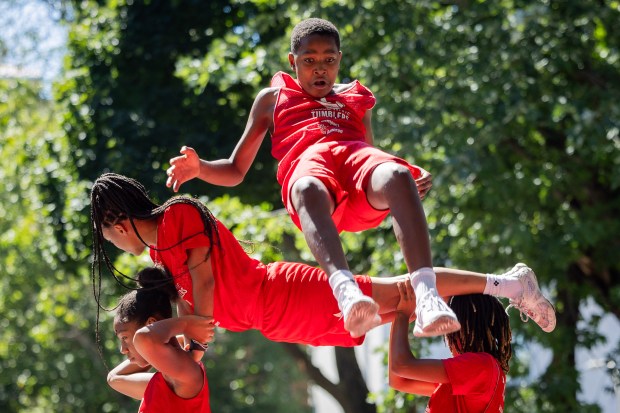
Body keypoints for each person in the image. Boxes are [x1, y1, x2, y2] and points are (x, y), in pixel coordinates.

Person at [165, 17, 456, 338]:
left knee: (397, 172)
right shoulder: (272, 99)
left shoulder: (356, 98)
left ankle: (427, 294)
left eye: (329, 60)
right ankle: (347, 293)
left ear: (340, 59)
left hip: (352, 172)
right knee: (306, 184)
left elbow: (367, 157)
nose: (320, 69)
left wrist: (400, 184)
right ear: (293, 62)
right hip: (312, 176)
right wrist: (200, 168)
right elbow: (236, 170)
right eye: (310, 61)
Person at [91, 173, 555, 349]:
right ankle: (510, 284)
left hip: (284, 294)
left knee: (402, 293)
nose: (114, 244)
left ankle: (512, 285)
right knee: (402, 301)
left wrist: (195, 342)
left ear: (117, 221)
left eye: (107, 234)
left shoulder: (177, 216)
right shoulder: (158, 250)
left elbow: (207, 287)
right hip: (274, 320)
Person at [389, 282, 512, 412]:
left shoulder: (480, 366)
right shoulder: (480, 372)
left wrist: (402, 314)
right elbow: (400, 380)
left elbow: (400, 366)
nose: (446, 334)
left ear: (463, 328)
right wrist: (401, 318)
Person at [107, 266, 214, 412]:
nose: (123, 349)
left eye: (125, 337)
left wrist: (187, 325)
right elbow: (114, 378)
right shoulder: (163, 381)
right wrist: (188, 339)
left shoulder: (186, 374)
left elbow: (144, 338)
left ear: (151, 324)